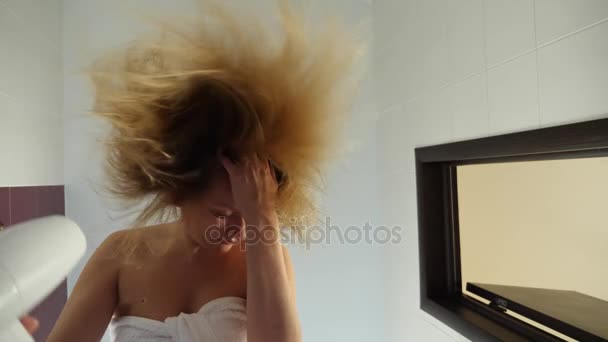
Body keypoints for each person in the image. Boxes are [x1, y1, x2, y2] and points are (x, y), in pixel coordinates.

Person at [47, 1, 361, 341]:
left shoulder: (265, 255)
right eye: (223, 212)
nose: (238, 229)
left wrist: (262, 217)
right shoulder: (120, 253)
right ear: (176, 191)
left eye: (250, 212)